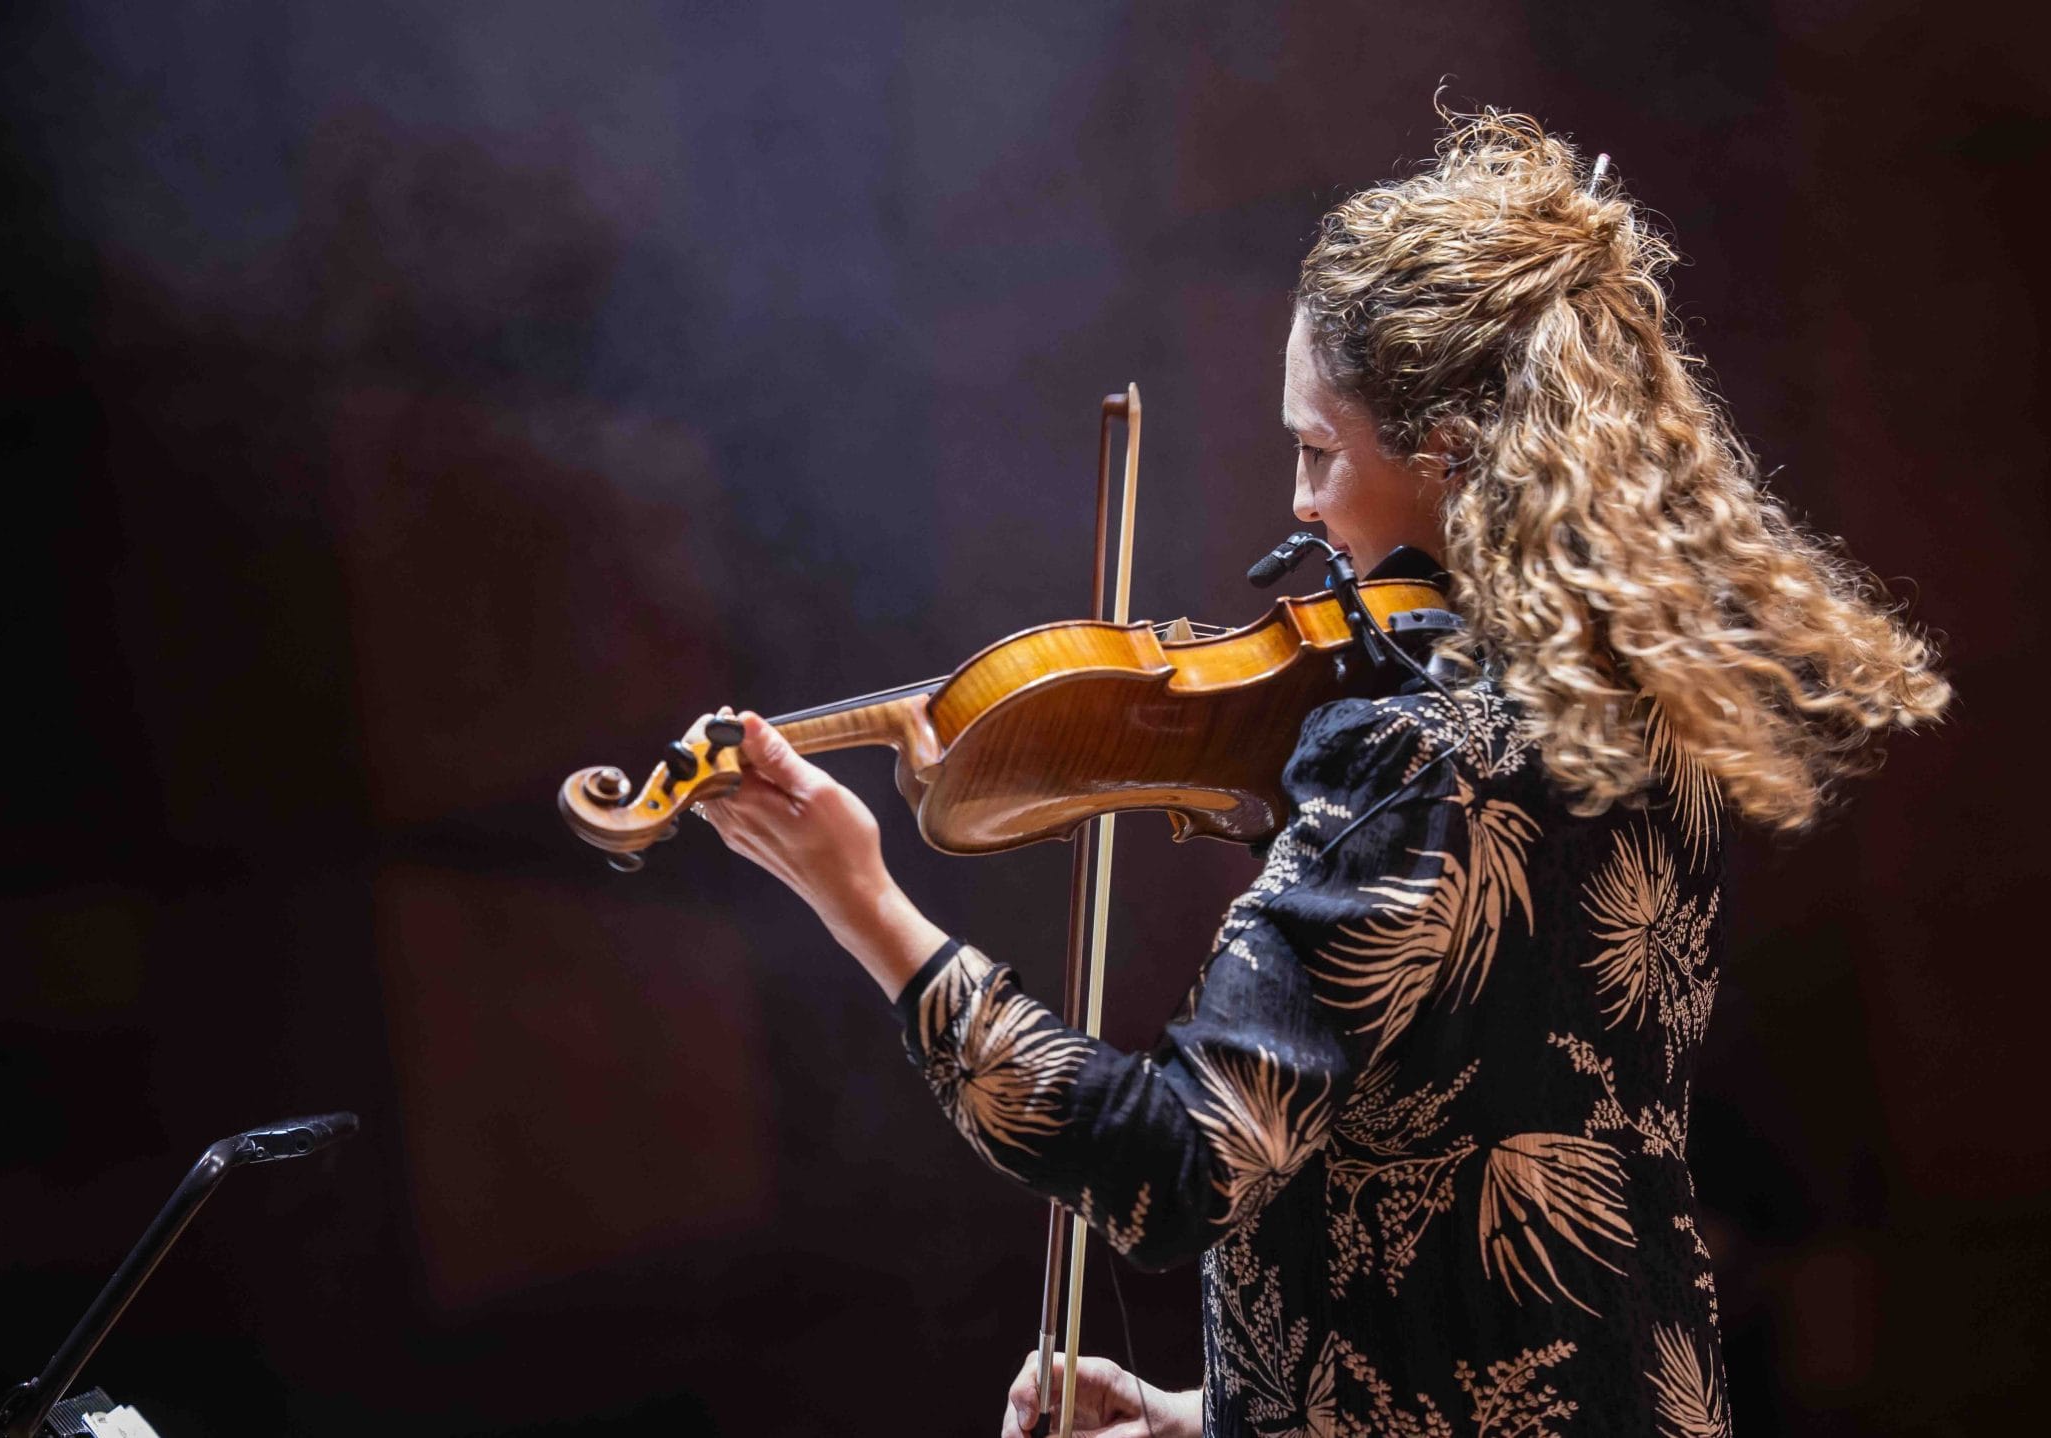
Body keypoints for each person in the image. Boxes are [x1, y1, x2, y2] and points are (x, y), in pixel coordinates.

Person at [692, 108, 1950, 1438]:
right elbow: (1478, 1192)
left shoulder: (1406, 752)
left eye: (1318, 450)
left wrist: (860, 899)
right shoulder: (1648, 722)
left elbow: (1173, 1169)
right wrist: (1219, 1415)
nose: (1298, 509)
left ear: (1450, 450)